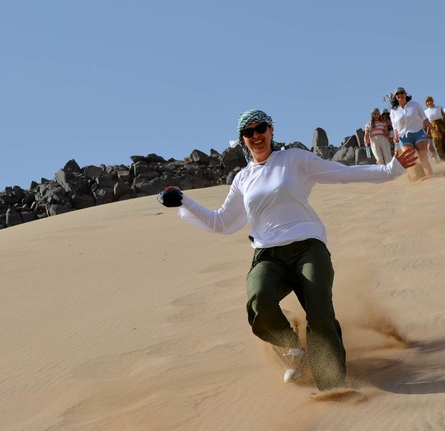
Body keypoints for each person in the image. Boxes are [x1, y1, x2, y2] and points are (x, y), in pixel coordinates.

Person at [158, 109, 418, 391]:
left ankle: (332, 384)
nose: (255, 135)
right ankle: (293, 349)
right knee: (259, 300)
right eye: (248, 132)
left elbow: (343, 173)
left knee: (319, 312)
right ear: (242, 139)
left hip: (308, 246)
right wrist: (183, 201)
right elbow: (221, 222)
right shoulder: (243, 179)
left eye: (260, 129)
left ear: (271, 131)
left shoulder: (295, 159)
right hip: (268, 255)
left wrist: (391, 169)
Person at [389, 87, 434, 178]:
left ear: (405, 94)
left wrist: (435, 130)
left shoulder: (415, 104)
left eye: (401, 93)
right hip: (404, 137)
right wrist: (396, 136)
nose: (400, 95)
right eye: (397, 94)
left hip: (418, 133)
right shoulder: (394, 111)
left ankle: (430, 177)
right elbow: (395, 127)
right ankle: (417, 178)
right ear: (395, 97)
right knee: (410, 159)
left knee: (423, 157)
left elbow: (424, 119)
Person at [424, 96, 445, 161]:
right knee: (438, 142)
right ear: (426, 103)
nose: (429, 102)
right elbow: (428, 123)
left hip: (441, 124)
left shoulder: (438, 107)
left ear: (433, 101)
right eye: (427, 101)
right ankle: (444, 158)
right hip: (433, 126)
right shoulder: (426, 112)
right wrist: (428, 133)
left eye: (430, 100)